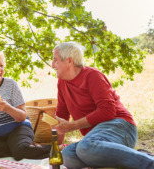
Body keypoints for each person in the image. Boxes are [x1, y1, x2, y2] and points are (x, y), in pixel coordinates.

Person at [51, 41, 154, 169]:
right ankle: (124, 160)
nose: (52, 65)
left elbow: (107, 111)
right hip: (95, 138)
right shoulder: (62, 83)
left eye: (55, 60)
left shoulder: (92, 76)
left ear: (69, 61)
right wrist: (54, 148)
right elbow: (61, 116)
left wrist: (71, 126)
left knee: (85, 147)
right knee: (66, 156)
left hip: (120, 127)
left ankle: (150, 163)